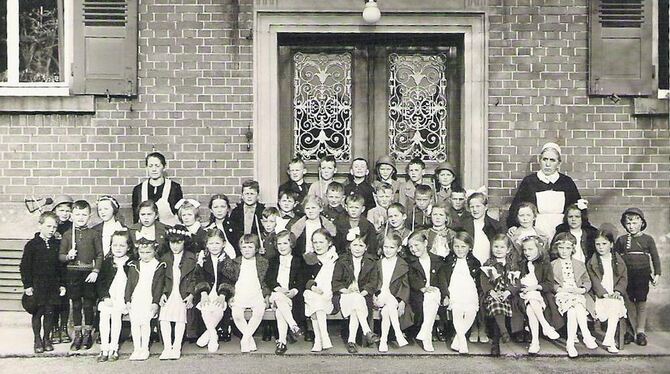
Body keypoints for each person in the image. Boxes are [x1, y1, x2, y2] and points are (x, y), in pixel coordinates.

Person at [507, 142, 582, 239]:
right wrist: (513, 225)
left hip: (562, 229)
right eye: (545, 159)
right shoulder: (529, 181)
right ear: (540, 160)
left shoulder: (566, 182)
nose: (547, 164)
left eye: (552, 160)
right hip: (536, 229)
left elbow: (575, 208)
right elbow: (516, 207)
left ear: (559, 163)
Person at [59, 200, 103, 351]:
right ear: (71, 216)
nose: (80, 217)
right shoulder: (67, 235)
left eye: (84, 214)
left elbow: (99, 255)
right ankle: (77, 334)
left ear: (89, 216)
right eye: (77, 214)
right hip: (73, 273)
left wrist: (95, 271)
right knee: (76, 304)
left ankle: (87, 334)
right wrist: (68, 256)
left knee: (88, 304)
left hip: (89, 274)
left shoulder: (93, 234)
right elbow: (60, 256)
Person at [614, 208, 661, 346]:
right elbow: (615, 258)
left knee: (641, 302)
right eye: (628, 223)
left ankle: (640, 332)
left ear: (642, 223)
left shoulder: (648, 239)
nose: (631, 226)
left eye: (635, 223)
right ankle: (629, 331)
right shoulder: (621, 240)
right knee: (628, 303)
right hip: (627, 276)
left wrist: (657, 273)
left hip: (642, 275)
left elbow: (655, 257)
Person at [20, 211, 65, 354]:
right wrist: (28, 285)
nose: (51, 230)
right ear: (40, 226)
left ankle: (46, 338)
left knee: (50, 312)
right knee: (38, 313)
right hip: (37, 285)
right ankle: (37, 339)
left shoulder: (56, 244)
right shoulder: (32, 245)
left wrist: (61, 284)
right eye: (48, 226)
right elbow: (24, 266)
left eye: (54, 227)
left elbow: (60, 267)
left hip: (52, 285)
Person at [550, 232, 598, 358]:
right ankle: (574, 341)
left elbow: (587, 281)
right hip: (563, 293)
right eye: (561, 248)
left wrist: (582, 289)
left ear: (572, 249)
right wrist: (559, 289)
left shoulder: (579, 264)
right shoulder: (553, 265)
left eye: (568, 248)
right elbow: (550, 282)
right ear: (556, 248)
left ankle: (578, 339)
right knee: (572, 311)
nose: (564, 251)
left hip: (577, 292)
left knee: (578, 307)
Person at [332, 235, 380, 353]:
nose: (357, 248)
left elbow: (373, 282)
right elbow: (335, 282)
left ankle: (351, 341)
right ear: (349, 246)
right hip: (344, 295)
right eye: (354, 245)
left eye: (361, 245)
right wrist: (347, 290)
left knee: (356, 305)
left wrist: (362, 292)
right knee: (355, 300)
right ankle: (367, 331)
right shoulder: (342, 260)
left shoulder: (371, 262)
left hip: (362, 296)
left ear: (366, 248)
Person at [223, 234, 270, 353]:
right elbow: (229, 280)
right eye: (244, 247)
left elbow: (265, 281)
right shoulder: (235, 262)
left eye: (250, 247)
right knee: (237, 314)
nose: (247, 250)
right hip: (240, 294)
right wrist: (230, 296)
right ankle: (249, 339)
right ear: (240, 249)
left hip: (256, 293)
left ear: (256, 248)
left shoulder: (262, 262)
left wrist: (266, 295)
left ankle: (245, 339)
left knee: (259, 312)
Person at [438, 231, 481, 354]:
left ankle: (457, 338)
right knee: (457, 310)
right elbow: (442, 279)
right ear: (452, 247)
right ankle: (462, 341)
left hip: (469, 291)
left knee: (471, 311)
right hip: (454, 291)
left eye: (463, 246)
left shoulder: (475, 262)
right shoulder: (447, 261)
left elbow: (478, 282)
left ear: (470, 247)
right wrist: (446, 295)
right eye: (456, 246)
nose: (460, 249)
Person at [158, 226, 197, 360]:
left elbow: (194, 279)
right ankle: (167, 347)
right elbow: (160, 278)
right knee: (164, 317)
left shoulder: (191, 258)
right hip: (169, 292)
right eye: (172, 242)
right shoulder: (165, 258)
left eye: (178, 242)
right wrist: (162, 293)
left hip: (182, 292)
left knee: (181, 318)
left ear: (184, 242)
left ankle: (176, 347)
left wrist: (191, 294)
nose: (175, 246)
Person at [517, 235, 560, 354]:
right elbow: (516, 281)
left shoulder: (544, 264)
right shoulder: (521, 264)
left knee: (531, 308)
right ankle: (545, 326)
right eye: (525, 250)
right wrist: (523, 288)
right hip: (522, 295)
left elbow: (549, 284)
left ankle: (535, 342)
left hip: (540, 296)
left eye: (530, 249)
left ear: (539, 249)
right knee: (531, 298)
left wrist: (535, 287)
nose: (527, 252)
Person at [587, 230, 628, 354]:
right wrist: (603, 293)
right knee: (611, 306)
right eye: (598, 244)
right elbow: (594, 280)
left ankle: (609, 339)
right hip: (600, 296)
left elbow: (623, 278)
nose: (601, 247)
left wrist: (618, 291)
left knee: (615, 305)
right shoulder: (592, 262)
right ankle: (610, 342)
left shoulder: (618, 260)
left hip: (614, 294)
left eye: (604, 244)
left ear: (611, 244)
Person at [125, 238, 166, 361]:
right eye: (142, 252)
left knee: (145, 323)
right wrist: (127, 299)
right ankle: (137, 348)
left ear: (154, 251)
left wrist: (155, 302)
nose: (145, 255)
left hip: (149, 297)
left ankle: (144, 348)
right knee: (135, 324)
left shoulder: (158, 266)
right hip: (136, 297)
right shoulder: (134, 265)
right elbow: (129, 284)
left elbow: (159, 285)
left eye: (148, 252)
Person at [193, 228, 233, 353]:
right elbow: (199, 276)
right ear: (206, 244)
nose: (214, 246)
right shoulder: (203, 258)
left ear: (223, 244)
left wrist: (222, 295)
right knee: (205, 306)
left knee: (218, 306)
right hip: (206, 291)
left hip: (220, 291)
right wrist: (204, 293)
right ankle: (213, 334)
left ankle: (208, 333)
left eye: (217, 243)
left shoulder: (227, 259)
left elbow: (228, 278)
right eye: (211, 243)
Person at [266, 230, 305, 355]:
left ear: (292, 244)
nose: (281, 247)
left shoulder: (298, 260)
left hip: (290, 297)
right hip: (275, 293)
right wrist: (278, 288)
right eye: (279, 244)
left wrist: (294, 291)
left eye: (285, 243)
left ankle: (282, 342)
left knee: (280, 310)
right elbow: (269, 279)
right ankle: (293, 325)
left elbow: (301, 280)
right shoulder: (273, 260)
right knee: (278, 296)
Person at [96, 229, 132, 362]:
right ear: (110, 246)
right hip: (109, 298)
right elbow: (101, 283)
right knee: (104, 317)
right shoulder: (107, 262)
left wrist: (128, 299)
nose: (118, 248)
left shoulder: (131, 263)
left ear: (128, 247)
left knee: (116, 318)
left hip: (123, 298)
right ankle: (104, 348)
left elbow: (133, 283)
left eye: (122, 245)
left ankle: (114, 348)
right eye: (115, 245)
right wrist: (105, 297)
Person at [407, 231, 446, 352]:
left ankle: (425, 333)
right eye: (410, 247)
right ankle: (427, 335)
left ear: (425, 243)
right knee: (430, 296)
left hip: (435, 293)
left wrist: (446, 295)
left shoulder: (437, 260)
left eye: (416, 245)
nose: (413, 249)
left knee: (434, 293)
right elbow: (411, 279)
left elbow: (442, 280)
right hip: (418, 294)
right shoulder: (410, 262)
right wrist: (423, 288)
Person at [480, 234, 519, 356]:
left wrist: (508, 292)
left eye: (502, 247)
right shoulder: (489, 263)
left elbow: (516, 282)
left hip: (507, 294)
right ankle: (501, 335)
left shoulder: (512, 265)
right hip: (492, 293)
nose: (498, 249)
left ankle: (496, 341)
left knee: (500, 305)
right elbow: (484, 281)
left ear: (508, 250)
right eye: (496, 247)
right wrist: (491, 292)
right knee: (496, 304)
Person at [374, 233, 413, 352]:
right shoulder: (378, 263)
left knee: (387, 311)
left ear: (399, 249)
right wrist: (374, 296)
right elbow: (373, 282)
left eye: (392, 248)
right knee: (389, 303)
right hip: (379, 296)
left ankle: (383, 341)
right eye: (386, 247)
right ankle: (398, 334)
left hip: (394, 297)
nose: (388, 250)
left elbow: (405, 286)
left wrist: (402, 301)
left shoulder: (402, 264)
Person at [303, 229, 339, 352]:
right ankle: (323, 337)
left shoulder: (335, 259)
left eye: (321, 242)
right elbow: (303, 278)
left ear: (329, 242)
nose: (317, 245)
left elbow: (340, 279)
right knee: (313, 297)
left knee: (316, 301)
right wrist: (312, 286)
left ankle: (319, 339)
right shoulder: (309, 259)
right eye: (315, 242)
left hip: (331, 295)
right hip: (313, 294)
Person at [132, 152, 183, 226]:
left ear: (164, 167)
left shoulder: (174, 187)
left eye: (157, 166)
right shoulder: (138, 189)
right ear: (146, 167)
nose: (154, 169)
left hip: (168, 232)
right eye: (150, 166)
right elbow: (136, 218)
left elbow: (179, 215)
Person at [50, 195, 73, 345]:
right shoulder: (51, 225)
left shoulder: (72, 226)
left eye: (67, 210)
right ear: (55, 210)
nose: (64, 213)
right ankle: (54, 328)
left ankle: (64, 327)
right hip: (52, 268)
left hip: (67, 267)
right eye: (61, 210)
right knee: (52, 298)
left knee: (65, 298)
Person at [229, 180, 265, 255]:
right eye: (246, 194)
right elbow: (233, 234)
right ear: (242, 196)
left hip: (257, 251)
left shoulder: (263, 211)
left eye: (252, 194)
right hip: (239, 250)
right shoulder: (236, 212)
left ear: (258, 196)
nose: (249, 196)